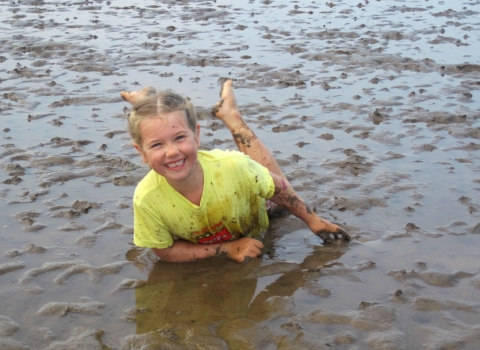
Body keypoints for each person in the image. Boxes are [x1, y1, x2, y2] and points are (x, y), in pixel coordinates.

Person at [121, 79, 350, 263]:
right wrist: (226, 249)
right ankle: (149, 103)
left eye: (180, 138)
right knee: (160, 121)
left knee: (277, 197)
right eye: (156, 144)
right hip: (222, 238)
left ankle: (231, 116)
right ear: (141, 153)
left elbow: (278, 187)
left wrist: (313, 220)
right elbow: (164, 251)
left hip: (254, 210)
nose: (171, 152)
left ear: (197, 135)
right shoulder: (146, 198)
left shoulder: (232, 166)